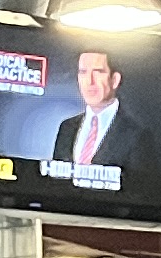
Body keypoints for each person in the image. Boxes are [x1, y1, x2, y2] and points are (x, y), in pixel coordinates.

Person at [47, 47, 153, 176]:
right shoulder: (66, 127)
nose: (90, 81)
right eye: (83, 72)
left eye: (98, 72)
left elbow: (139, 191)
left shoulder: (137, 135)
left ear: (114, 80)